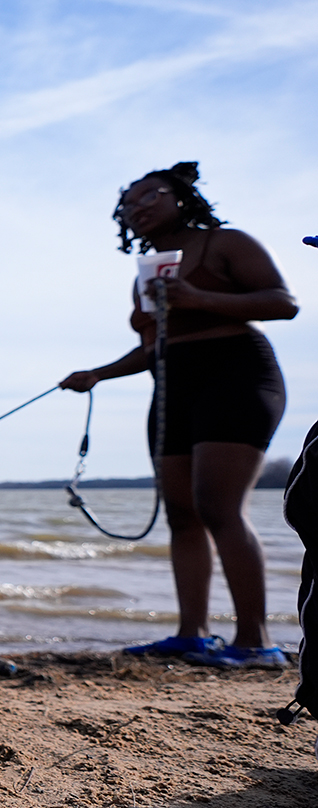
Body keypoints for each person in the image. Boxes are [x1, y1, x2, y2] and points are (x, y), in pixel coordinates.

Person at [59, 162, 296, 669]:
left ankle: (255, 643)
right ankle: (193, 634)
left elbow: (284, 303)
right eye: (128, 205)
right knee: (182, 512)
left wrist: (198, 297)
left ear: (181, 197)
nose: (137, 209)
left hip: (237, 376)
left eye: (149, 197)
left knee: (218, 505)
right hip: (171, 387)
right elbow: (151, 347)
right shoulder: (144, 275)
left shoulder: (226, 244)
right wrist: (97, 374)